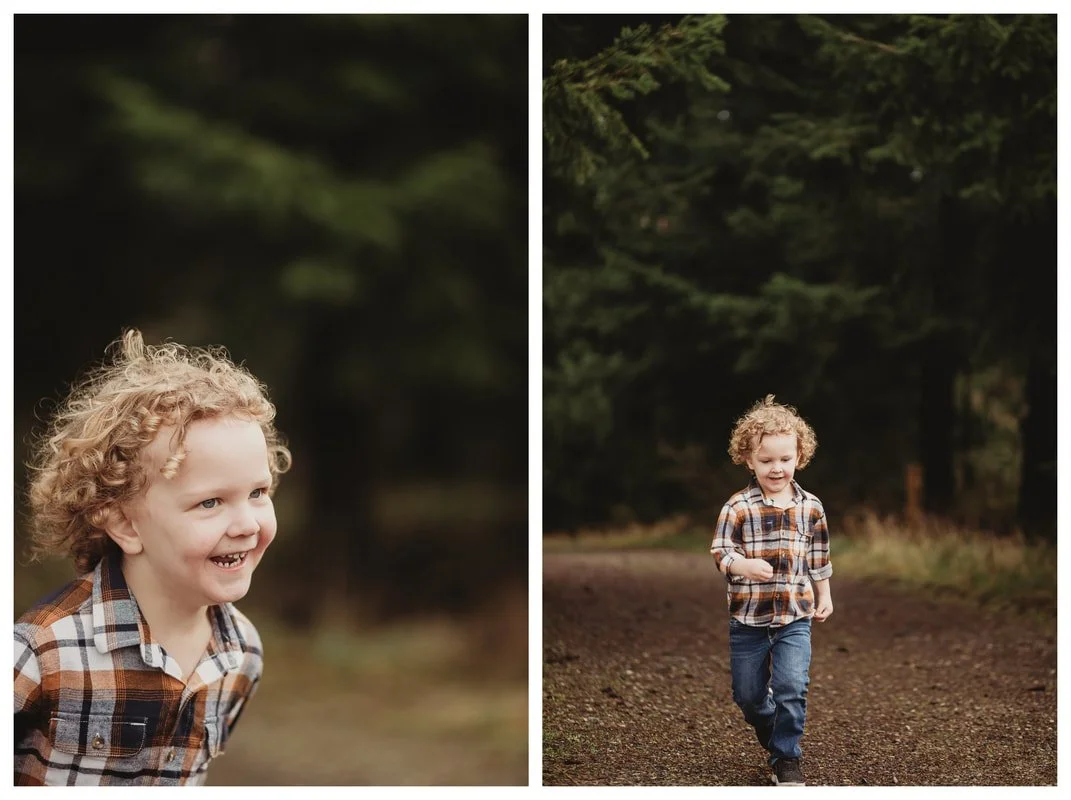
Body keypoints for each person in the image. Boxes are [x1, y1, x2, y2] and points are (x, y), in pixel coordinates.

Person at [14, 329, 291, 785]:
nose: (246, 523)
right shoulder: (42, 652)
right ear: (125, 523)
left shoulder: (243, 654)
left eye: (258, 492)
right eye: (210, 502)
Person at [709, 394, 833, 786]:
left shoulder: (811, 507)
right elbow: (720, 550)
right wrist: (741, 564)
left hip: (795, 616)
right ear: (748, 460)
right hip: (748, 620)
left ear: (800, 456)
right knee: (748, 696)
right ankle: (771, 728)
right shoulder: (738, 507)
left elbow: (819, 555)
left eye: (785, 459)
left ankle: (787, 757)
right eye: (766, 461)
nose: (776, 468)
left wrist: (825, 594)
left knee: (792, 687)